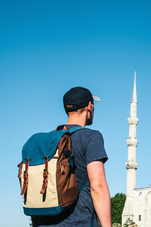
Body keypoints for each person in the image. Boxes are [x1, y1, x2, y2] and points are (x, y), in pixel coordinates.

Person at [32, 87, 111, 227]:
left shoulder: (46, 141)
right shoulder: (91, 137)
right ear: (89, 106)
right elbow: (98, 186)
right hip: (79, 221)